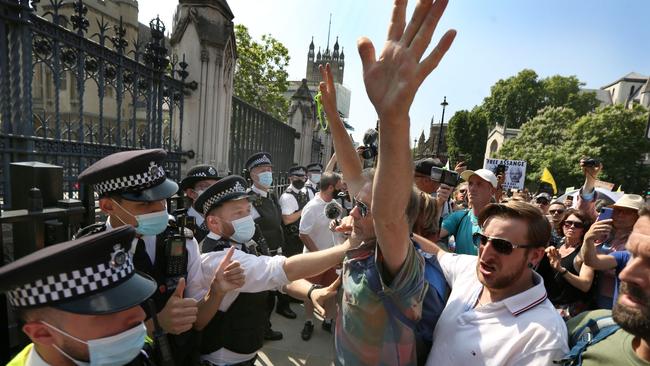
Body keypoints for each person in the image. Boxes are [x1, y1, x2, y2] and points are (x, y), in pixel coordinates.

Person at [306, 0, 457, 363]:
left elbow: (386, 216)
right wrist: (331, 115)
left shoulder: (399, 264)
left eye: (365, 208)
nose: (353, 212)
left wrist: (393, 117)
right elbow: (353, 171)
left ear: (399, 221)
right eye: (357, 203)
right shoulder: (362, 242)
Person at [188, 175, 353, 366]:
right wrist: (348, 246)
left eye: (247, 211)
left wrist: (311, 291)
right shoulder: (218, 258)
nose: (246, 218)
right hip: (223, 359)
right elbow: (280, 270)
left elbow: (278, 279)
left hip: (245, 351)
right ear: (214, 223)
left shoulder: (243, 243)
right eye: (238, 213)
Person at [75, 148, 208, 365]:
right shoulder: (89, 255)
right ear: (108, 206)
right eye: (145, 203)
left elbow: (199, 309)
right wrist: (155, 325)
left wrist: (218, 290)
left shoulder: (184, 241)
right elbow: (85, 340)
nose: (159, 210)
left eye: (162, 200)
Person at [425, 201, 568, 365]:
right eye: (482, 239)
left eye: (502, 246)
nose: (485, 254)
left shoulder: (544, 339)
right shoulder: (472, 269)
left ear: (535, 256)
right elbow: (438, 253)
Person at [4, 227, 155, 365]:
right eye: (107, 312)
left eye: (131, 302)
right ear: (42, 333)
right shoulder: (119, 348)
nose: (140, 314)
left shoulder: (133, 349)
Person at [563, 204, 650, 365]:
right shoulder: (589, 324)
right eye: (634, 254)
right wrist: (588, 240)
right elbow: (592, 261)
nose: (625, 274)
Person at [244, 152, 296, 323]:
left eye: (269, 169)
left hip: (277, 250)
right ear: (252, 173)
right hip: (262, 255)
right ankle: (263, 329)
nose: (267, 173)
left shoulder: (271, 195)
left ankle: (267, 325)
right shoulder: (248, 199)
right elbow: (250, 230)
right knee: (263, 297)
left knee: (275, 291)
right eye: (262, 169)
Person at [298, 171, 344, 340]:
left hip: (332, 258)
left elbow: (336, 229)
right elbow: (303, 233)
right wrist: (319, 256)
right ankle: (309, 321)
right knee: (311, 293)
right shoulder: (312, 207)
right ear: (330, 187)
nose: (342, 188)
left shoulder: (335, 205)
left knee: (331, 292)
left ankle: (328, 320)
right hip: (314, 260)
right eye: (339, 185)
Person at [539, 209, 595, 317]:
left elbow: (585, 285)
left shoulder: (586, 252)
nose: (572, 227)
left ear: (584, 230)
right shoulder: (558, 244)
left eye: (577, 225)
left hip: (567, 311)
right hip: (546, 304)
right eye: (568, 223)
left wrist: (561, 269)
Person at [439, 168, 498, 255]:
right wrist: (439, 203)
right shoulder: (459, 217)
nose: (472, 189)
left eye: (479, 184)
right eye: (470, 183)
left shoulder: (502, 222)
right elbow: (432, 235)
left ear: (492, 191)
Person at [179, 164, 223, 242]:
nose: (213, 191)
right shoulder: (178, 223)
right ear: (191, 193)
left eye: (215, 187)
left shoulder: (223, 223)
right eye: (206, 186)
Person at [279, 165, 310, 257]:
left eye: (303, 177)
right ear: (290, 178)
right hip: (291, 240)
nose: (300, 180)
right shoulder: (287, 197)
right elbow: (287, 219)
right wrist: (305, 210)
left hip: (300, 238)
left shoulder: (302, 192)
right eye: (296, 177)